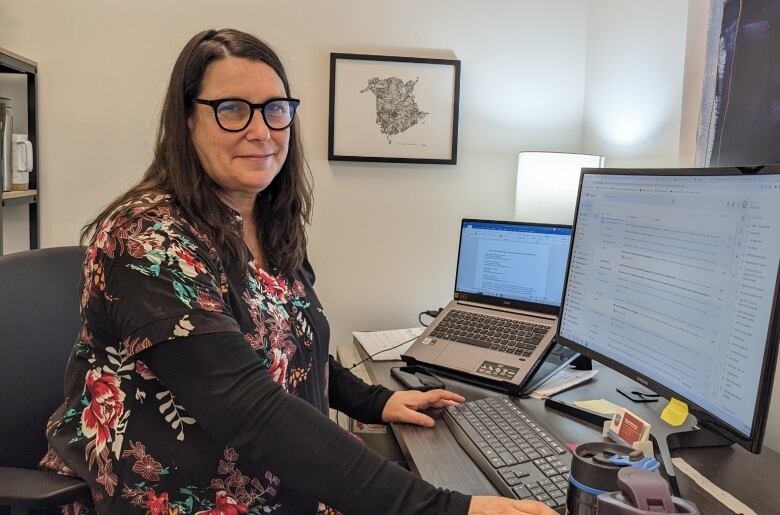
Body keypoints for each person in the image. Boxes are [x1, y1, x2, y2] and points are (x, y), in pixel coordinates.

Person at [40, 28, 558, 515]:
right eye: (232, 110)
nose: (261, 130)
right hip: (177, 496)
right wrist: (447, 508)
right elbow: (251, 407)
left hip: (277, 483)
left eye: (276, 110)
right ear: (187, 119)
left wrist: (380, 401)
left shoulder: (266, 223)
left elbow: (297, 349)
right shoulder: (146, 237)